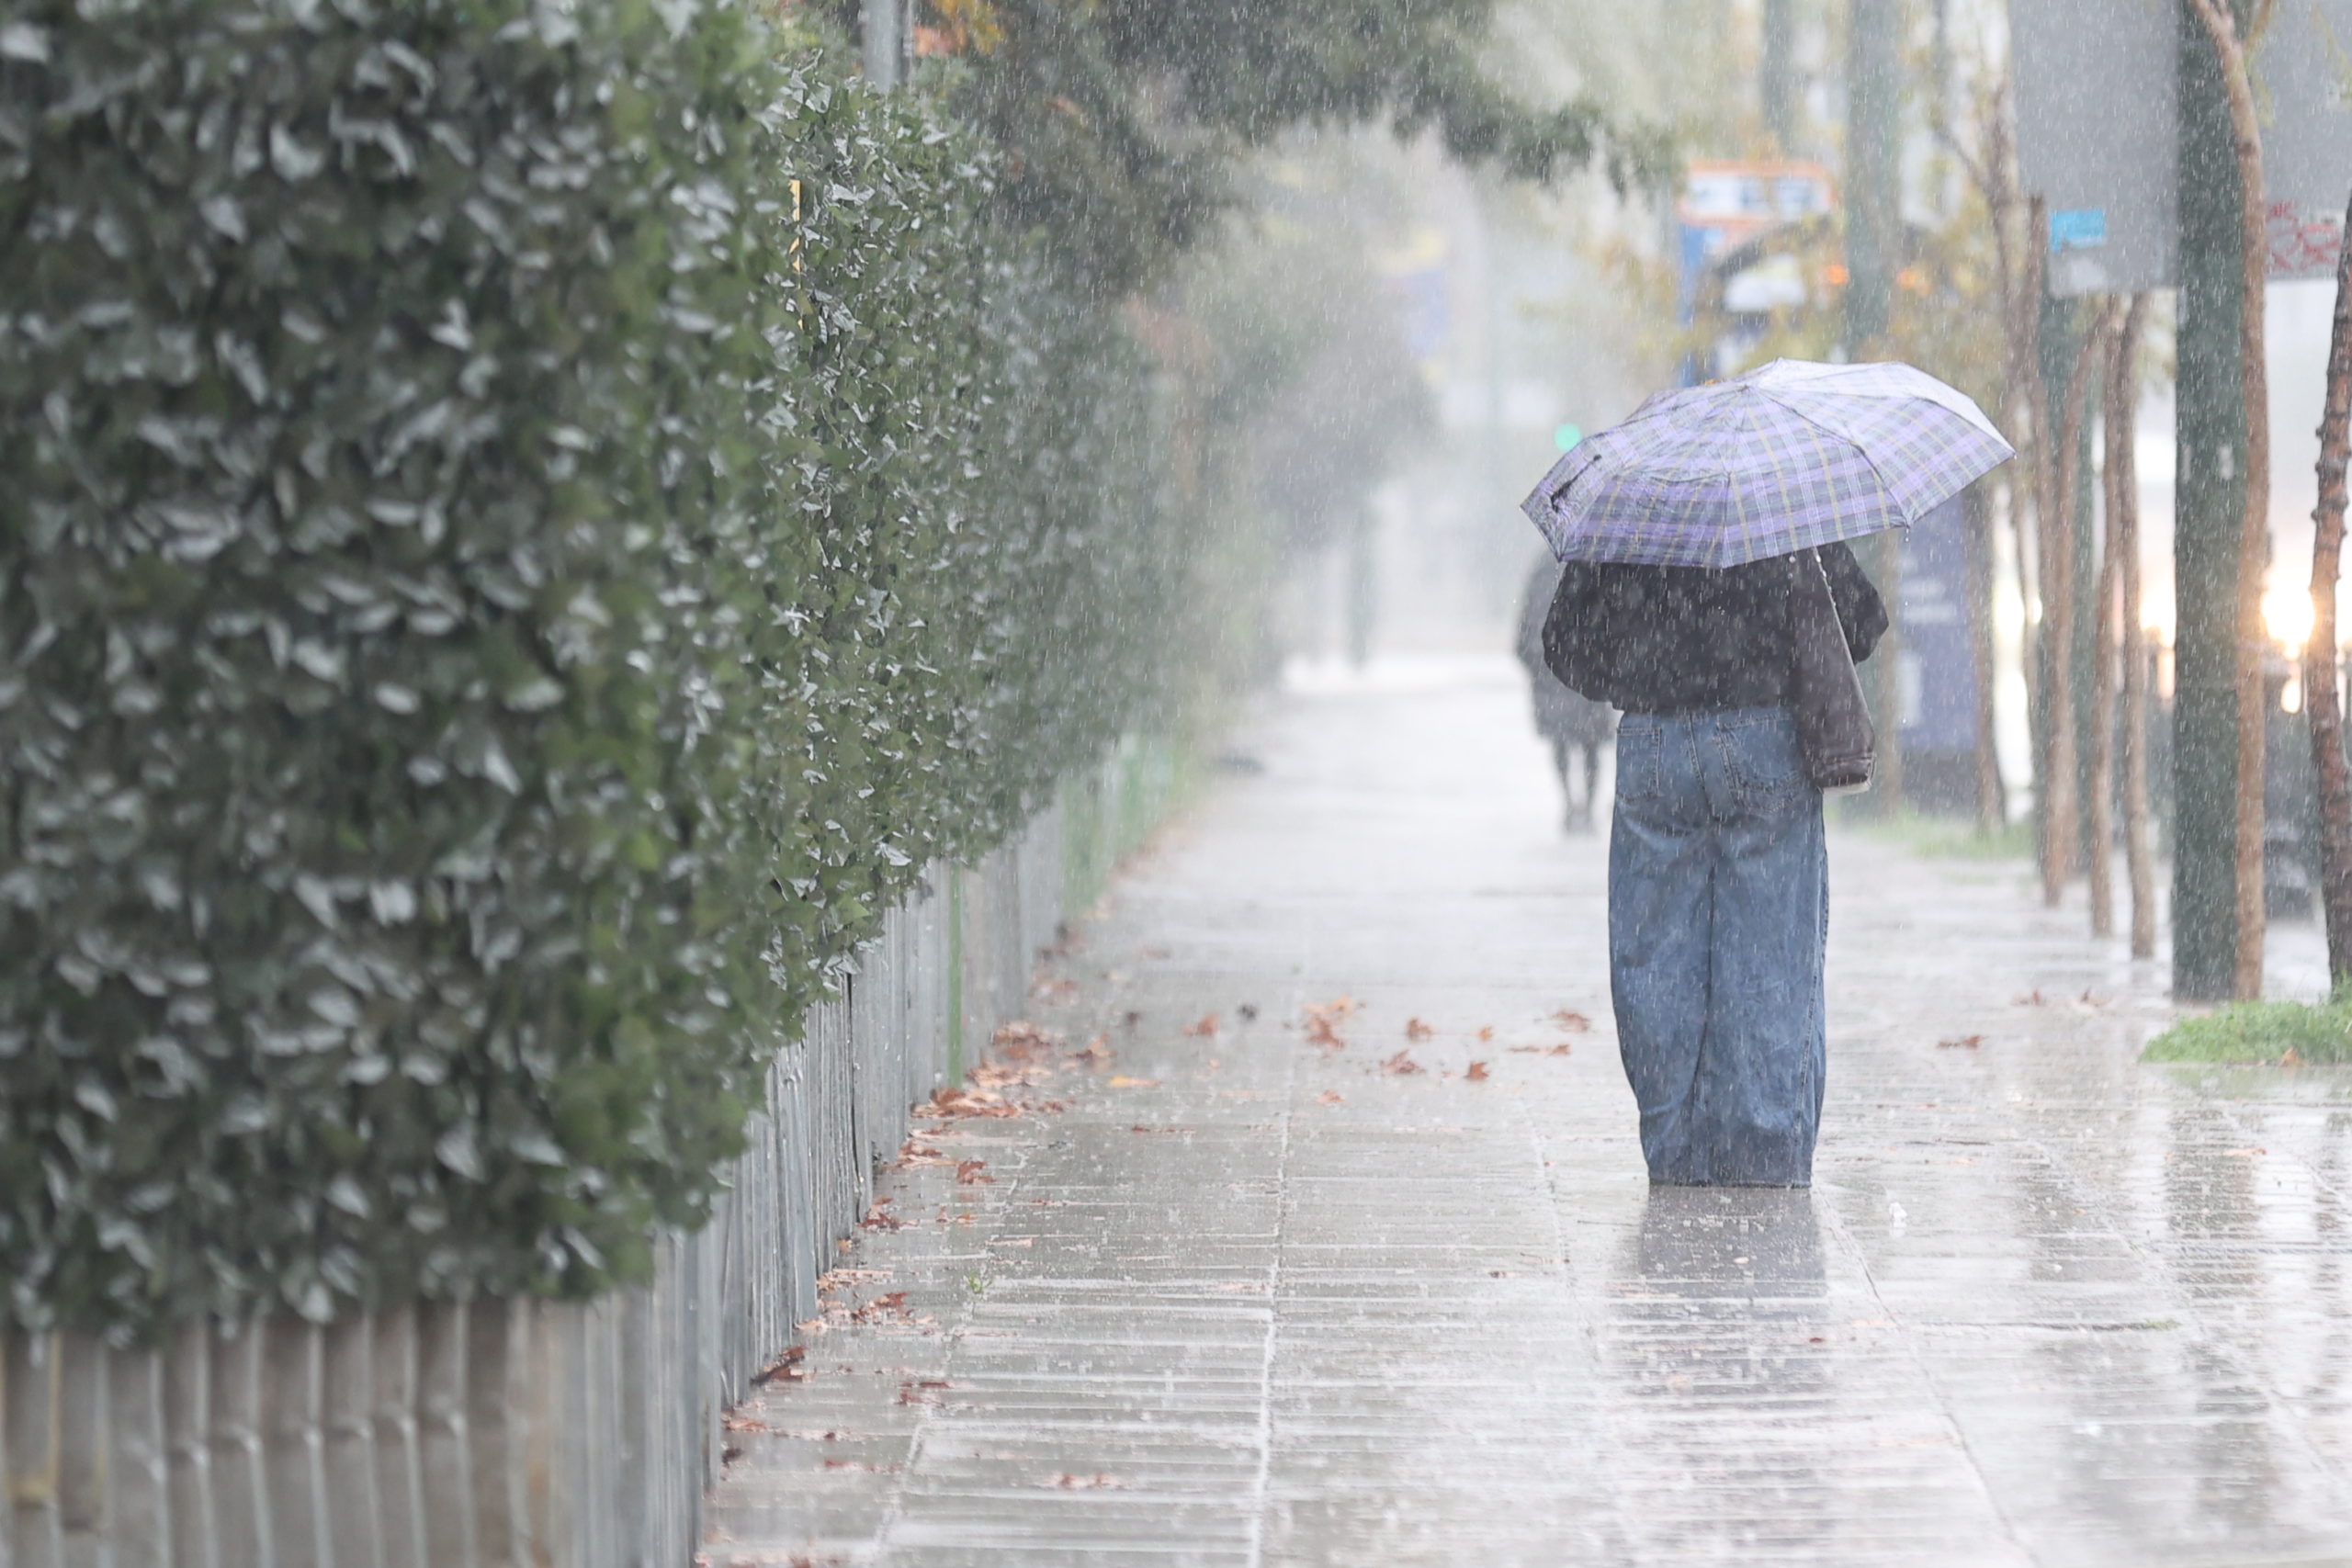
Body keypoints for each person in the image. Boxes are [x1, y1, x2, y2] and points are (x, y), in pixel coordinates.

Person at [1542, 544, 1887, 1188]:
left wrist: (1643, 678)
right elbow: (1862, 621)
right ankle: (1762, 1148)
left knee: (1656, 953)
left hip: (1655, 742)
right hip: (1765, 742)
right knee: (1771, 950)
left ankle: (1676, 1146)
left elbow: (1562, 641)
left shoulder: (1639, 508)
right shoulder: (1781, 505)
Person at [1514, 556, 1617, 832]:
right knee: (1589, 742)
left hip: (1552, 669)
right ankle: (1586, 806)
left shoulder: (1543, 570)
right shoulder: (1595, 566)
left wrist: (1533, 661)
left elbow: (1525, 625)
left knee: (1562, 740)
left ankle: (1571, 803)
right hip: (1587, 669)